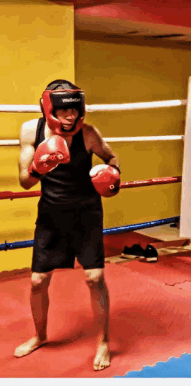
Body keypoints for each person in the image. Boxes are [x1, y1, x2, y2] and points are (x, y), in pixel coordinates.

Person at [15, 79, 120, 371]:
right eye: (64, 111)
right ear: (50, 109)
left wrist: (114, 173)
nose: (71, 117)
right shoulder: (30, 132)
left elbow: (111, 156)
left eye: (75, 111)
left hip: (86, 214)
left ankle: (102, 341)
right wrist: (39, 166)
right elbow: (24, 182)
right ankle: (39, 335)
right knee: (37, 281)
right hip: (51, 214)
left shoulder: (88, 134)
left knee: (94, 278)